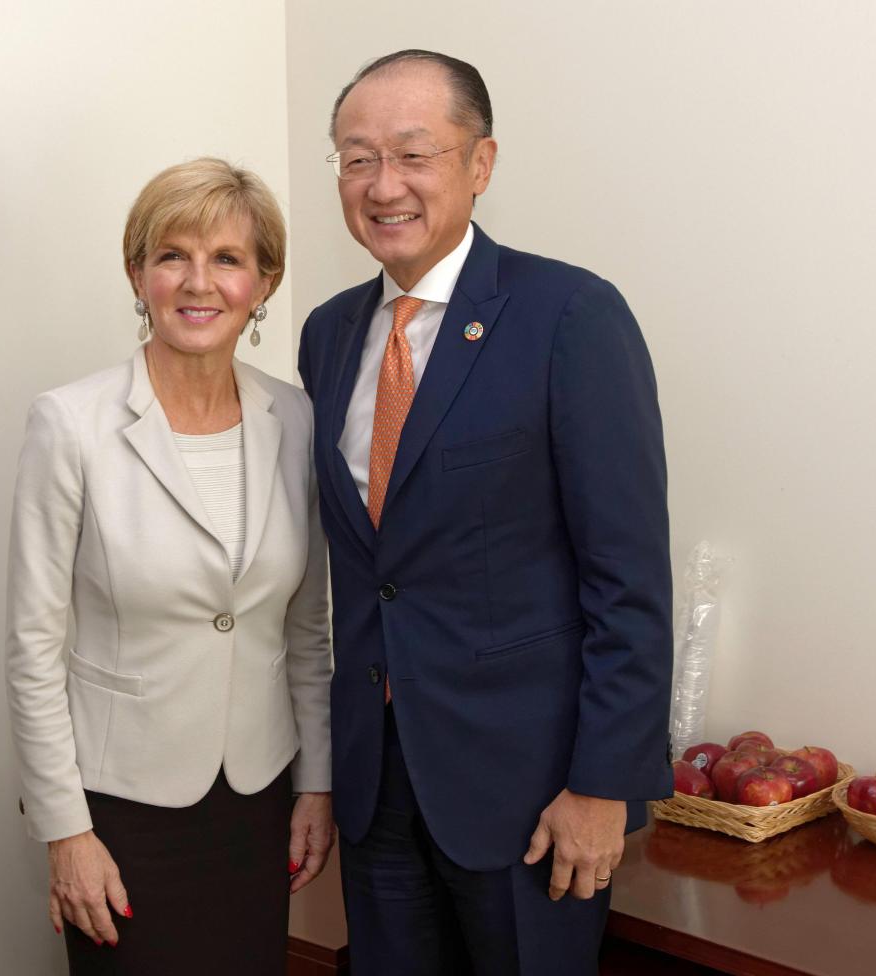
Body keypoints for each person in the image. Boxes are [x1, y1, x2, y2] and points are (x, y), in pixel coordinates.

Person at [297, 51, 673, 975]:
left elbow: (628, 580)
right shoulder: (328, 334)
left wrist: (602, 787)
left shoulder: (569, 316)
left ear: (482, 163)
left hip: (531, 798)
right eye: (356, 158)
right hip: (376, 785)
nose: (383, 185)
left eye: (413, 154)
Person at [6, 157, 334, 976]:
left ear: (263, 283)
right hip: (121, 812)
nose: (199, 282)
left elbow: (307, 629)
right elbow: (33, 648)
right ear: (138, 274)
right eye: (172, 255)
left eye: (227, 259)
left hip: (260, 797)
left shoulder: (294, 418)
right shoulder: (70, 424)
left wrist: (317, 786)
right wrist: (65, 831)